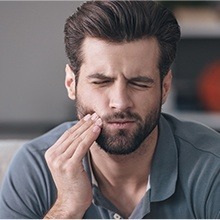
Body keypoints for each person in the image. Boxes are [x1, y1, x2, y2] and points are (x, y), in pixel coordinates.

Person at [0, 1, 220, 219]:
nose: (120, 102)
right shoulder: (33, 168)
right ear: (71, 84)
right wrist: (66, 209)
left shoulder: (212, 166)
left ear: (165, 87)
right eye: (101, 82)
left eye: (139, 83)